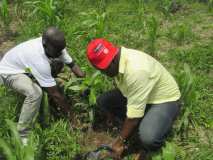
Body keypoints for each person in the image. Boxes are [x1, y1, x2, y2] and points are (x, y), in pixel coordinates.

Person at [86, 38, 181, 159]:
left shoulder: (136, 70)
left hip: (164, 100)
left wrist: (119, 142)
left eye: (108, 66)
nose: (106, 71)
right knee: (103, 101)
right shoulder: (119, 61)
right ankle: (136, 127)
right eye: (103, 68)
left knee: (148, 138)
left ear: (114, 54)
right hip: (140, 94)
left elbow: (133, 118)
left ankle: (146, 145)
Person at [0, 27, 85, 145]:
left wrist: (86, 84)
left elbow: (72, 64)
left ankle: (45, 85)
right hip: (9, 72)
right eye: (57, 51)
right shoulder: (38, 58)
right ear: (44, 45)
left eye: (61, 50)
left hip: (25, 68)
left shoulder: (56, 46)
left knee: (58, 64)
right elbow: (56, 95)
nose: (60, 53)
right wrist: (73, 118)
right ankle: (22, 134)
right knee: (35, 93)